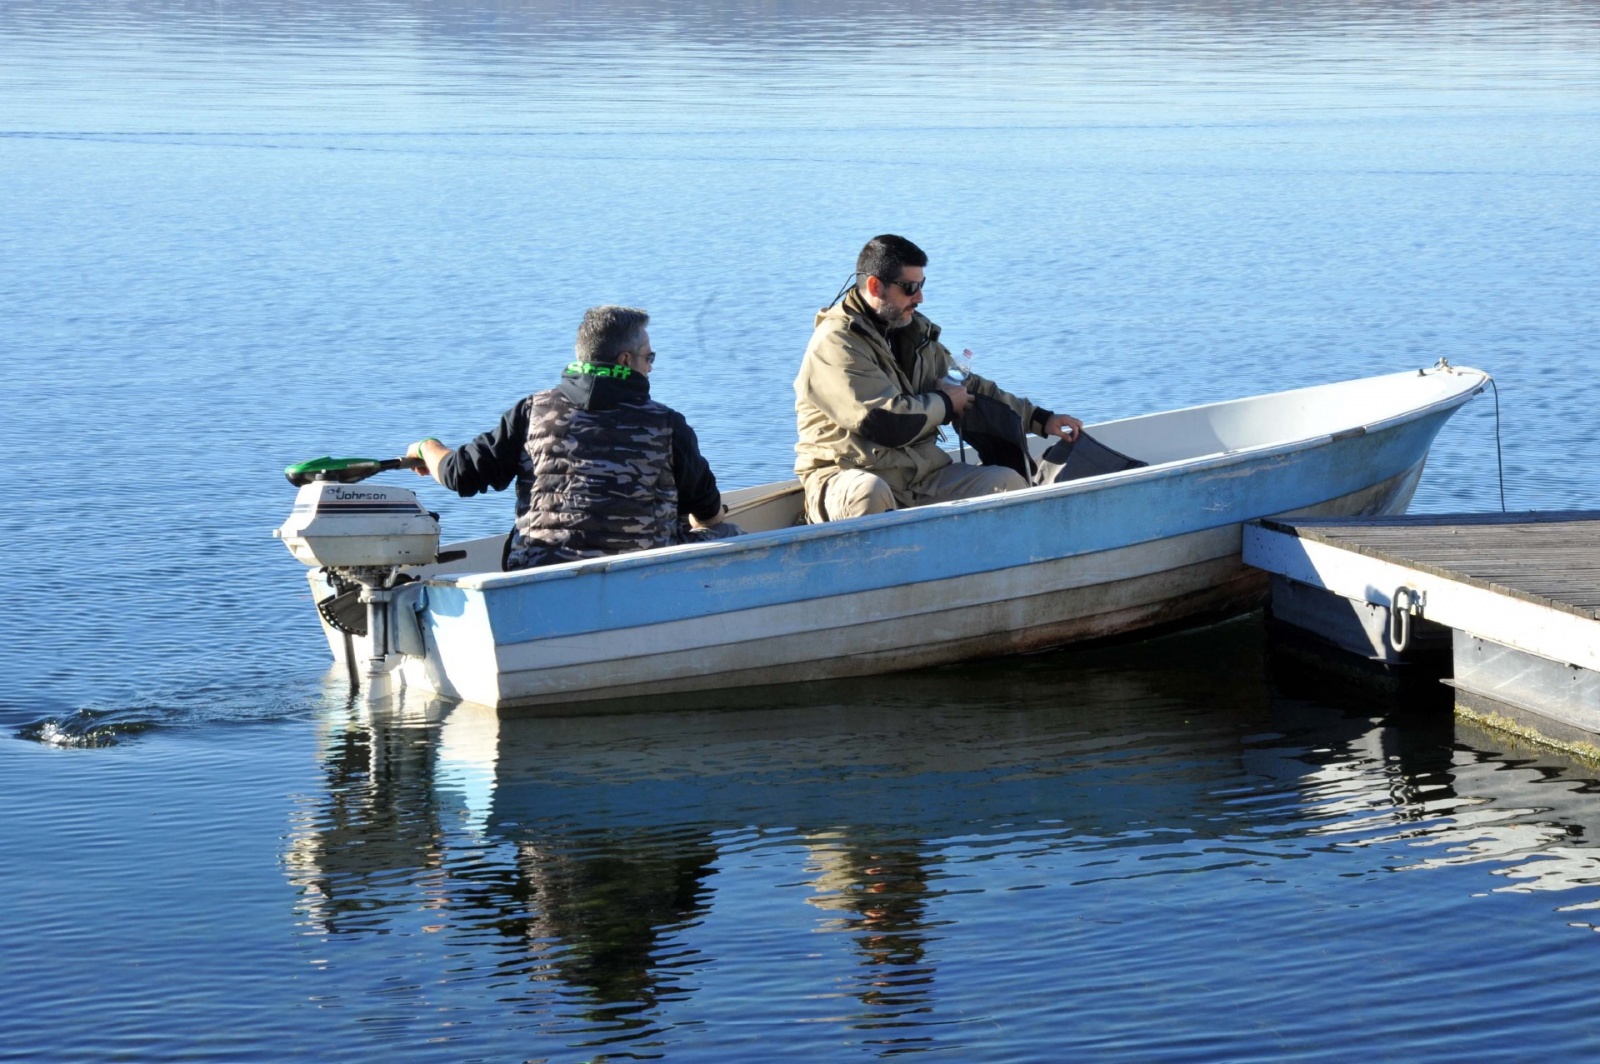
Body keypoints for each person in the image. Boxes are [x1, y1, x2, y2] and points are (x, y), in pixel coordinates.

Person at [406, 305, 740, 570]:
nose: (651, 367)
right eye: (649, 357)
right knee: (729, 535)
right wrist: (697, 519)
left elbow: (458, 474)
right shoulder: (667, 424)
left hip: (538, 571)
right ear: (626, 359)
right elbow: (708, 511)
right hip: (641, 574)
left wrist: (427, 447)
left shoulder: (531, 412)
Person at [793, 234, 1083, 523]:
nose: (919, 298)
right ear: (874, 286)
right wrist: (944, 403)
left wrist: (1040, 419)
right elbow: (885, 422)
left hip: (920, 476)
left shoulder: (911, 333)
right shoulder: (834, 344)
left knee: (1005, 483)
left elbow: (970, 388)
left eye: (922, 286)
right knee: (869, 493)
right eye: (909, 288)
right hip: (845, 476)